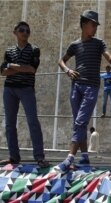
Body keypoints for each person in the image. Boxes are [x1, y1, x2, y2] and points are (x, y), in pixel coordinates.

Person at [56, 10, 111, 172]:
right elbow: (61, 60)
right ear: (84, 25)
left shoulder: (99, 43)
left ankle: (69, 159)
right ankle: (85, 158)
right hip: (76, 86)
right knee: (78, 124)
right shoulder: (74, 45)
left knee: (80, 122)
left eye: (96, 25)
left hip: (91, 87)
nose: (95, 28)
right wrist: (68, 70)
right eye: (93, 25)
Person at [0, 21, 49, 167]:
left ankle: (39, 157)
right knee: (9, 124)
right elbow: (3, 72)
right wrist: (21, 67)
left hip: (26, 88)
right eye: (22, 30)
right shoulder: (9, 51)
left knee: (33, 121)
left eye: (28, 31)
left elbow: (32, 69)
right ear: (15, 32)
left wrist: (11, 66)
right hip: (9, 89)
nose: (25, 33)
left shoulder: (34, 49)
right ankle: (13, 157)